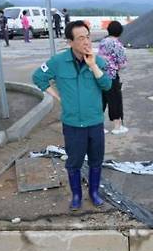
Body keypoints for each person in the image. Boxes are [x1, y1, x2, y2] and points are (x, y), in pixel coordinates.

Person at [32, 20, 112, 210]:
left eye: (88, 37)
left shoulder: (98, 61)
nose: (86, 42)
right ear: (70, 42)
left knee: (96, 160)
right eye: (81, 38)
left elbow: (107, 85)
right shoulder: (58, 62)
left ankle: (93, 193)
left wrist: (93, 65)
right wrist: (57, 96)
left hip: (94, 122)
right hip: (73, 124)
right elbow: (38, 77)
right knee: (74, 162)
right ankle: (76, 195)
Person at [98, 21, 128, 135]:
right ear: (120, 32)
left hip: (99, 75)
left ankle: (99, 126)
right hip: (111, 76)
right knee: (114, 100)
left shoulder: (102, 42)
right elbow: (122, 64)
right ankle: (117, 126)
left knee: (101, 101)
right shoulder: (118, 45)